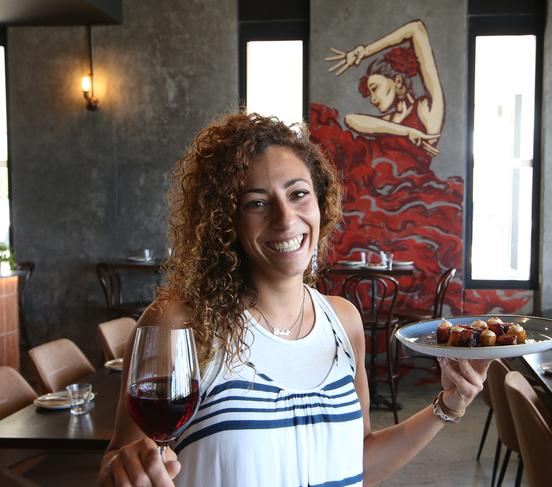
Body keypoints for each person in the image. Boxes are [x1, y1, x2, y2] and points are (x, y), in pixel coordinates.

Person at [98, 112, 489, 487]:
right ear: (225, 220)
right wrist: (125, 468)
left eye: (298, 194)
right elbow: (124, 462)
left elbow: (359, 463)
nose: (285, 218)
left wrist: (450, 405)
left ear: (320, 203)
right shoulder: (181, 322)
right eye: (256, 202)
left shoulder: (343, 322)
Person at [326, 20, 445, 156]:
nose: (372, 100)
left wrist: (366, 52)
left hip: (411, 177)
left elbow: (416, 29)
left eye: (374, 88)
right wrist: (407, 132)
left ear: (398, 81)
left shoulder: (427, 108)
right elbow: (351, 120)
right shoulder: (389, 120)